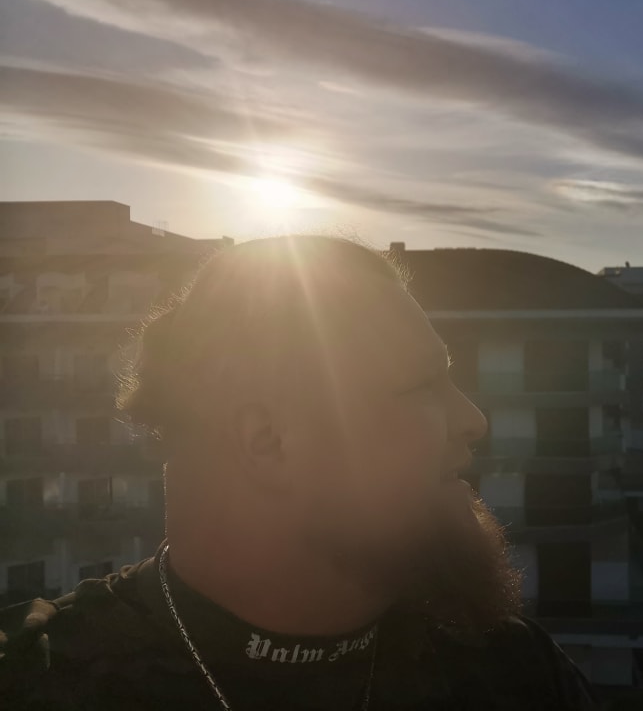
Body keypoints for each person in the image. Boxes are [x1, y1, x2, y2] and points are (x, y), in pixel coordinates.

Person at [0, 236, 599, 710]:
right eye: (423, 385)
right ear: (267, 440)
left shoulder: (514, 672)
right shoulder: (39, 680)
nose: (473, 420)